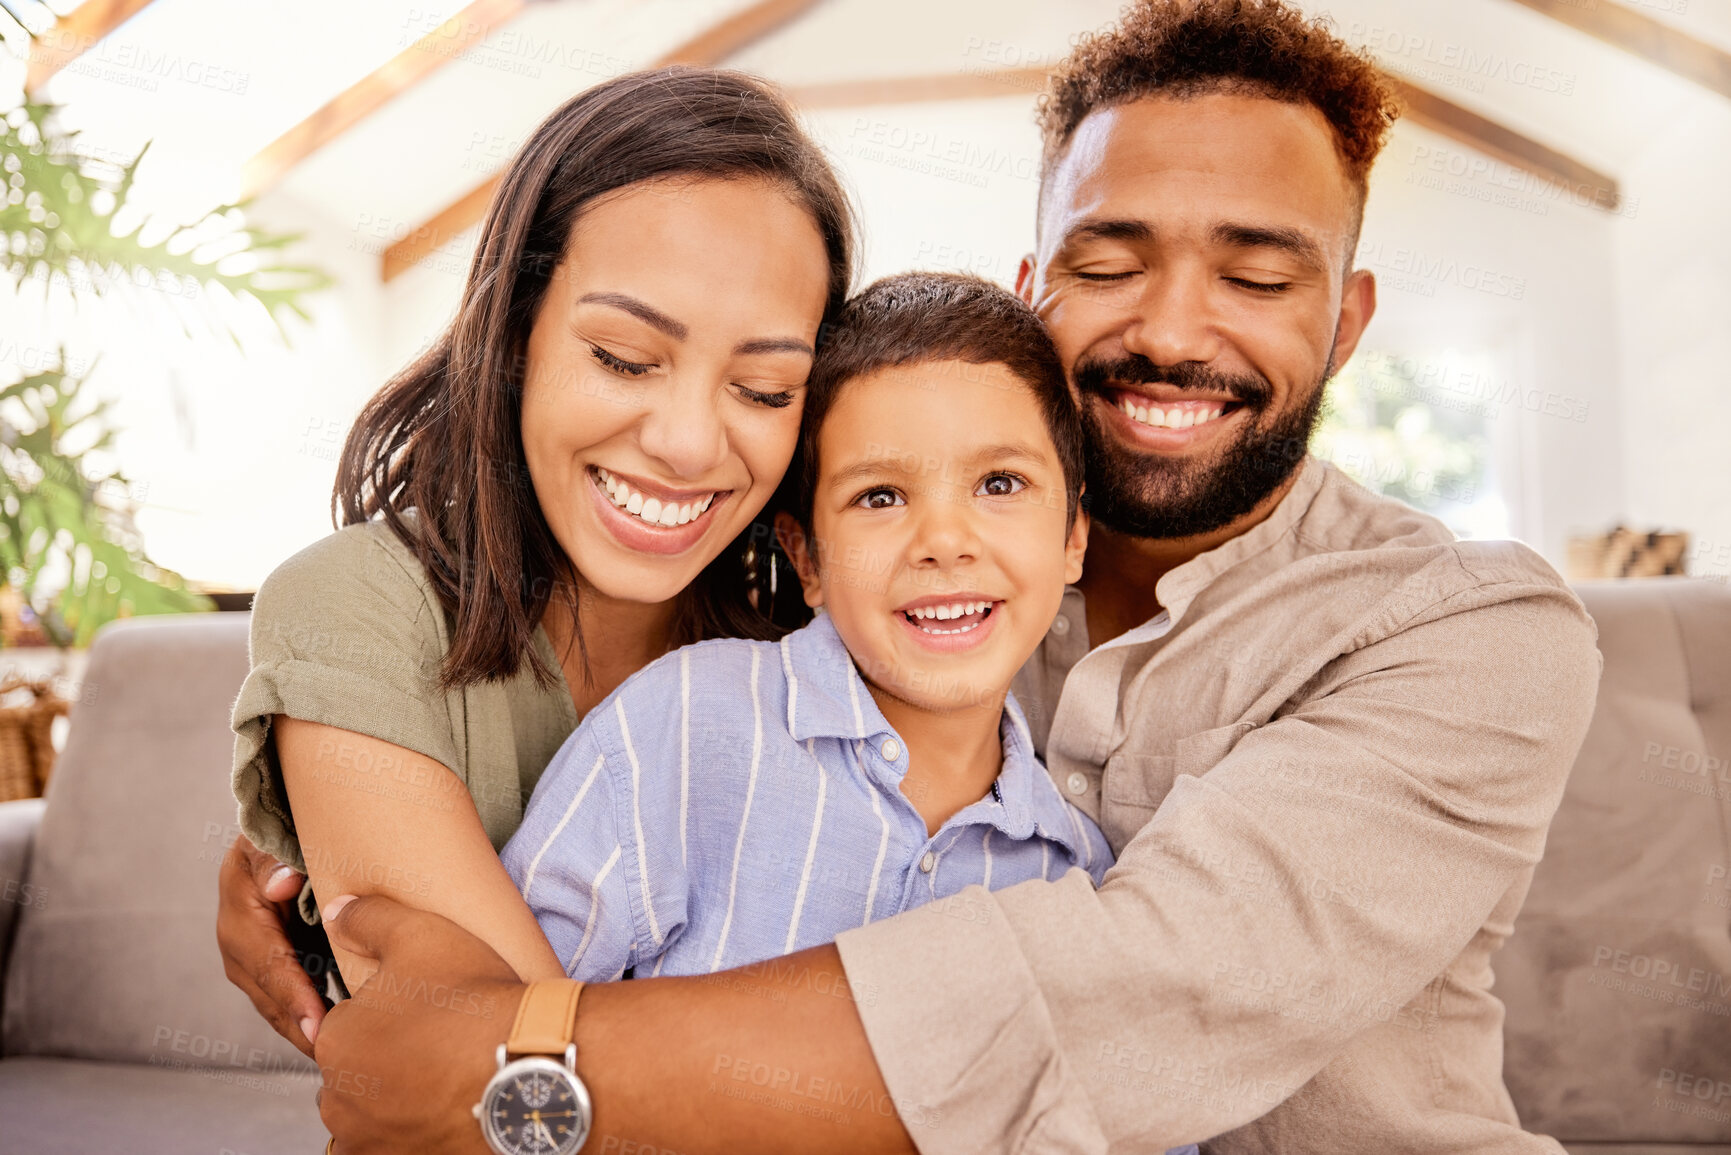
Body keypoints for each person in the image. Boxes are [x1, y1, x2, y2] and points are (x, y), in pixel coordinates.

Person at [240, 2, 1604, 1152]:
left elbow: (1132, 986)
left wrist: (514, 1056)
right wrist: (306, 842)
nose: (1171, 328)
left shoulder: (1467, 629)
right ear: (1032, 286)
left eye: (1255, 275)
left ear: (1346, 315)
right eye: (1105, 260)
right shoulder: (888, 594)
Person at [221, 65, 853, 1032]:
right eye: (622, 358)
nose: (688, 443)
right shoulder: (352, 609)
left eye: (765, 388)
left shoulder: (830, 638)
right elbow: (485, 1067)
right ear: (514, 330)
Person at [503, 271, 1116, 977]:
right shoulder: (681, 730)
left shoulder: (1077, 877)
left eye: (999, 484)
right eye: (879, 496)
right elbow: (497, 1026)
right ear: (806, 557)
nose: (944, 541)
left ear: (1073, 534)